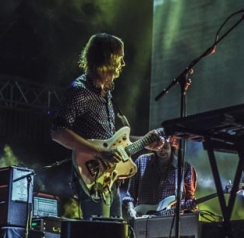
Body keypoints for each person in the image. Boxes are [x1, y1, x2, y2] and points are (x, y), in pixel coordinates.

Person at [51, 33, 164, 219]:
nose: (123, 63)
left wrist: (146, 141)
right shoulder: (80, 90)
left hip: (110, 180)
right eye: (120, 58)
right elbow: (58, 132)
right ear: (107, 58)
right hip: (92, 176)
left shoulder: (106, 94)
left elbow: (112, 142)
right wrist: (100, 153)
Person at [122, 136, 197, 218]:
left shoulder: (185, 168)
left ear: (172, 146)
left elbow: (190, 198)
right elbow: (130, 196)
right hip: (142, 218)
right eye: (159, 147)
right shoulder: (141, 162)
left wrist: (191, 205)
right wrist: (131, 209)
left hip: (171, 221)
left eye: (166, 147)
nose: (162, 151)